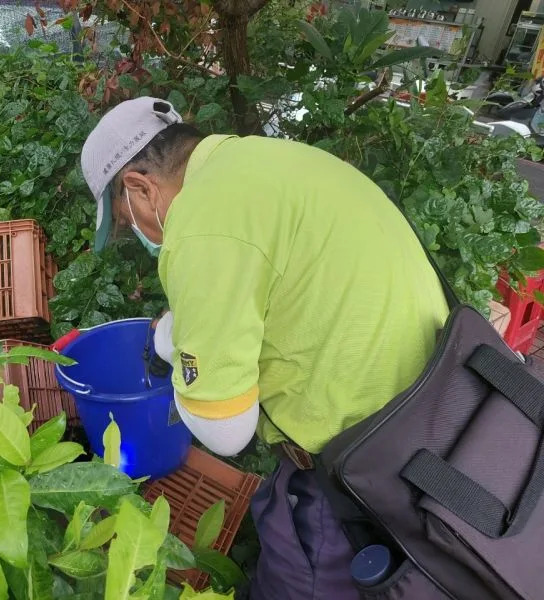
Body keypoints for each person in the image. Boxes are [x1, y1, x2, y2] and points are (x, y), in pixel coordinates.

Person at [80, 96, 449, 599]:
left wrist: (191, 386)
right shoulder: (266, 160)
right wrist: (175, 337)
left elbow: (227, 432)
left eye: (127, 223)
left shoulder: (201, 226)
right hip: (438, 407)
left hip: (361, 463)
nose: (140, 237)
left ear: (140, 188)